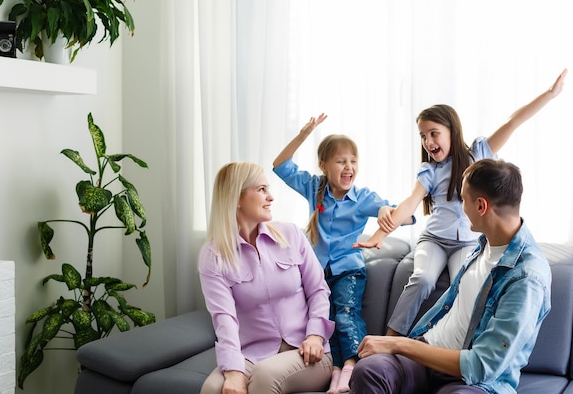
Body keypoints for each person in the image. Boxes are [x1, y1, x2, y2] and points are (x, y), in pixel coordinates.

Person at [355, 68, 567, 337]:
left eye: (433, 133)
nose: (428, 141)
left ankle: (452, 344)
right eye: (422, 136)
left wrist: (549, 95)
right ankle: (391, 338)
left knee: (464, 285)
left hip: (466, 243)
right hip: (434, 239)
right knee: (422, 279)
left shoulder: (478, 152)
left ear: (451, 130)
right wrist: (379, 234)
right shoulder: (429, 170)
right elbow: (411, 202)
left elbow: (512, 123)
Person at [350, 158, 552, 394]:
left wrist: (398, 344)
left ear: (481, 206)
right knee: (370, 371)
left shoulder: (527, 278)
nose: (460, 207)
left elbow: (481, 365)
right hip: (427, 356)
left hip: (474, 381)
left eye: (463, 200)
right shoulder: (485, 243)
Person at [273, 116, 415, 394]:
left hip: (348, 271)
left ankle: (351, 371)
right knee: (325, 322)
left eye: (353, 161)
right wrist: (304, 135)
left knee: (346, 317)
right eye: (341, 161)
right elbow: (280, 166)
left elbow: (406, 215)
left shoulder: (363, 199)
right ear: (324, 166)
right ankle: (337, 372)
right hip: (315, 274)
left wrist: (387, 212)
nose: (349, 167)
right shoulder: (315, 188)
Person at [198, 162, 335, 394]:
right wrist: (233, 372)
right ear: (237, 197)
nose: (270, 197)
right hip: (253, 353)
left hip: (306, 350)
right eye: (261, 189)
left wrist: (314, 335)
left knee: (265, 376)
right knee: (213, 388)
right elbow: (224, 319)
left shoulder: (291, 234)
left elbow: (319, 290)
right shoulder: (213, 256)